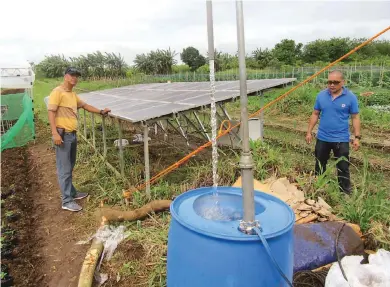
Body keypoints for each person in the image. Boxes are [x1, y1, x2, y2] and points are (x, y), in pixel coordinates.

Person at [47, 67, 111, 212]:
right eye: (72, 75)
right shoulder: (58, 92)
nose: (74, 78)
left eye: (76, 76)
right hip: (62, 135)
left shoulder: (72, 94)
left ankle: (72, 193)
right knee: (64, 168)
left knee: (70, 165)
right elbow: (51, 112)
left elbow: (85, 106)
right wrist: (54, 133)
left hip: (71, 134)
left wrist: (101, 111)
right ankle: (66, 200)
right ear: (65, 76)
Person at [305, 70, 361, 194]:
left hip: (341, 139)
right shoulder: (321, 95)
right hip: (323, 137)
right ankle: (319, 189)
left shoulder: (350, 97)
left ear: (343, 82)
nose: (332, 85)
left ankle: (345, 193)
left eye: (335, 82)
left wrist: (357, 137)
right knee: (320, 164)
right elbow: (315, 114)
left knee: (343, 167)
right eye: (329, 82)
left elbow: (355, 117)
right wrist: (309, 131)